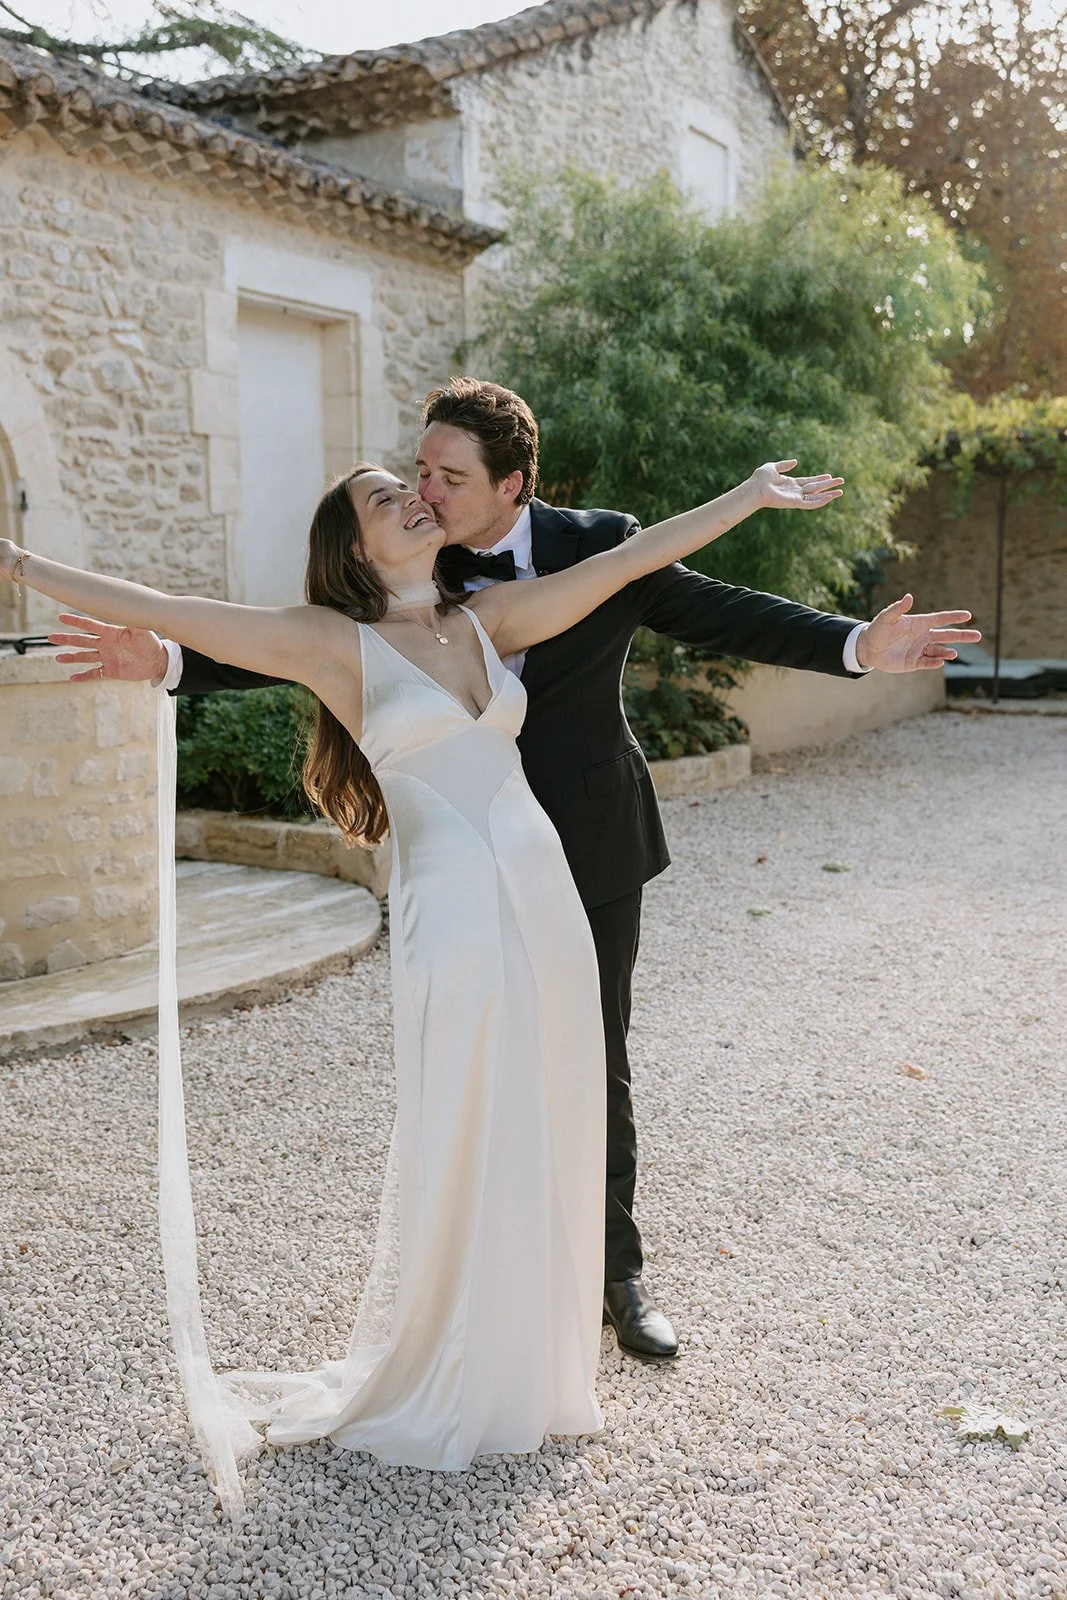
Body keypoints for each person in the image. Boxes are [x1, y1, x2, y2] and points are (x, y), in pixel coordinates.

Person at [49, 380, 981, 1365]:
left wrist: (851, 642)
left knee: (595, 1051)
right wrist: (173, 662)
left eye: (450, 477)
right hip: (460, 855)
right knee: (479, 1067)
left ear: (513, 483)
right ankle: (492, 1292)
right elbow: (332, 632)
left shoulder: (591, 544)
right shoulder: (417, 547)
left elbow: (710, 608)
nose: (428, 492)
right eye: (419, 473)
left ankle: (615, 1275)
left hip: (583, 836)